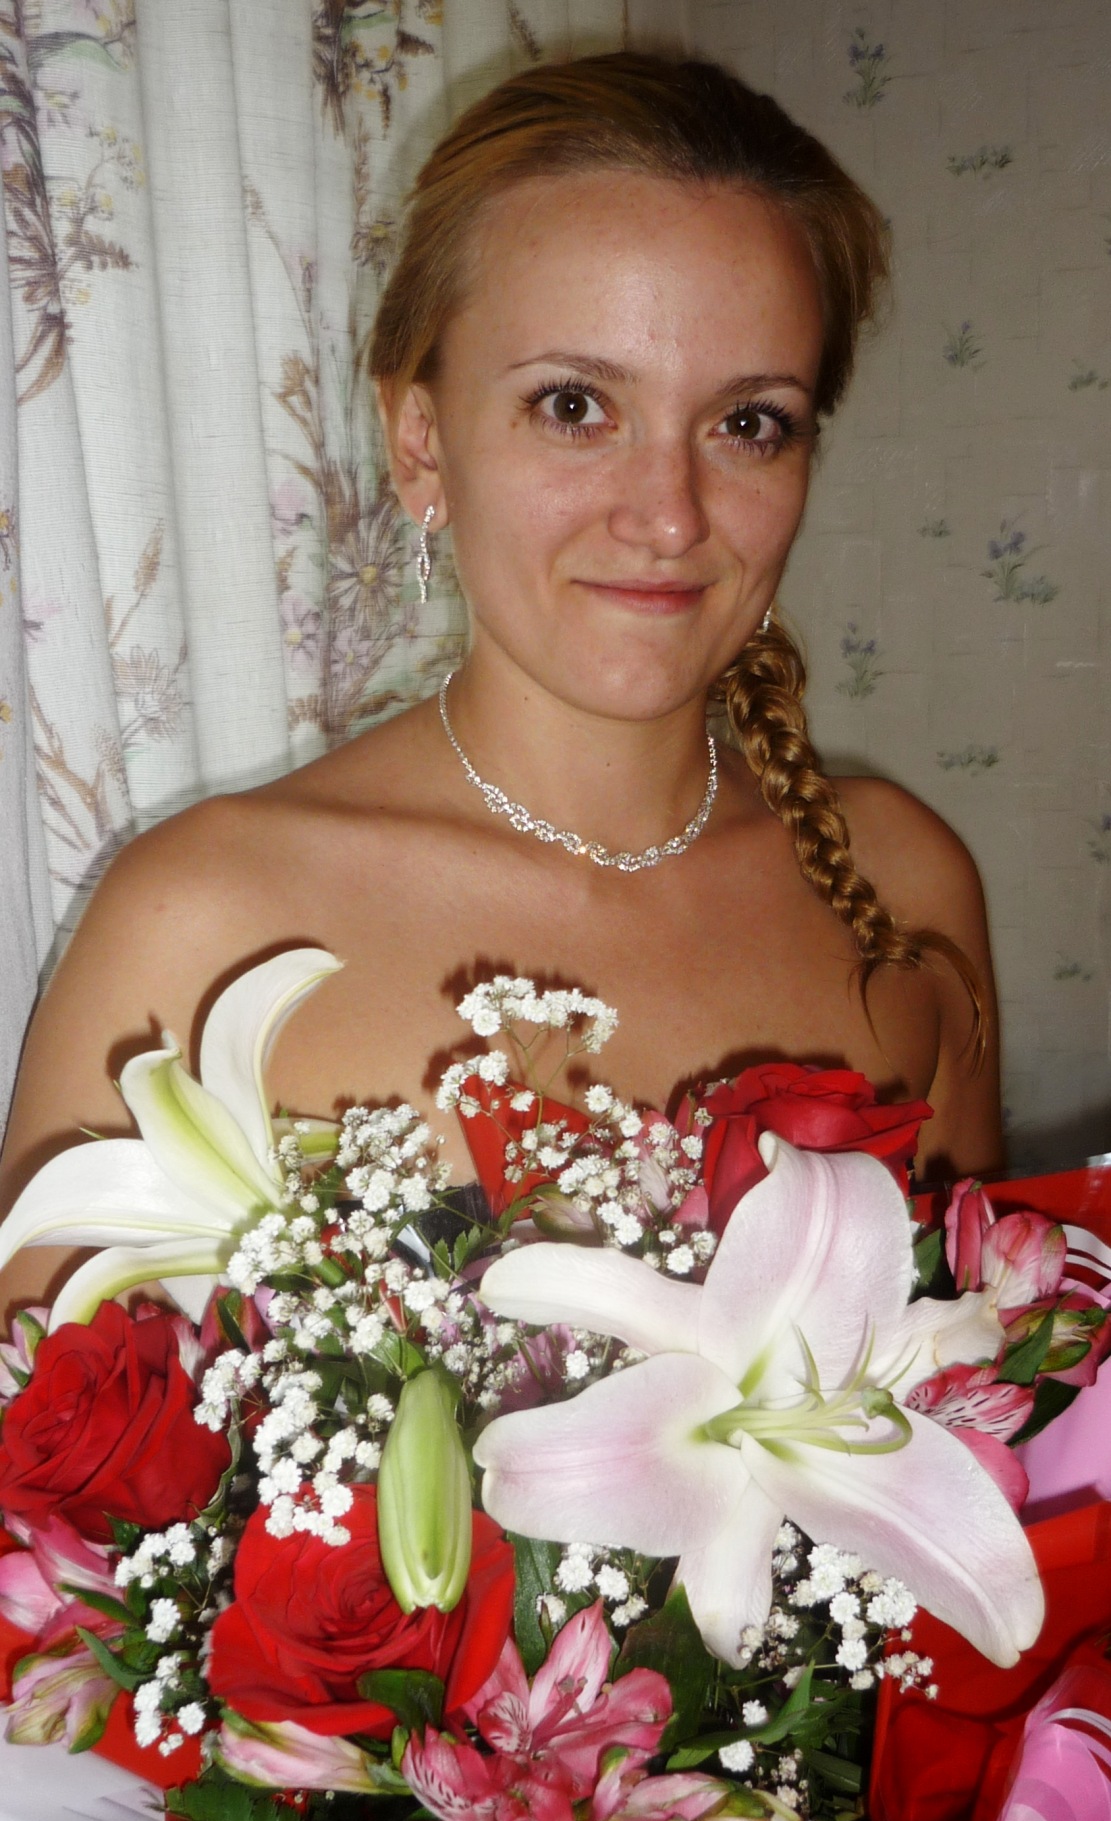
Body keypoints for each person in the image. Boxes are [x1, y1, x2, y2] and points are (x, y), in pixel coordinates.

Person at [0, 51, 1002, 1323]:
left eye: (748, 422)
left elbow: (996, 1393)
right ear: (421, 443)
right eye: (574, 405)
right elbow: (49, 1440)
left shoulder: (906, 885)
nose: (669, 515)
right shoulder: (200, 930)